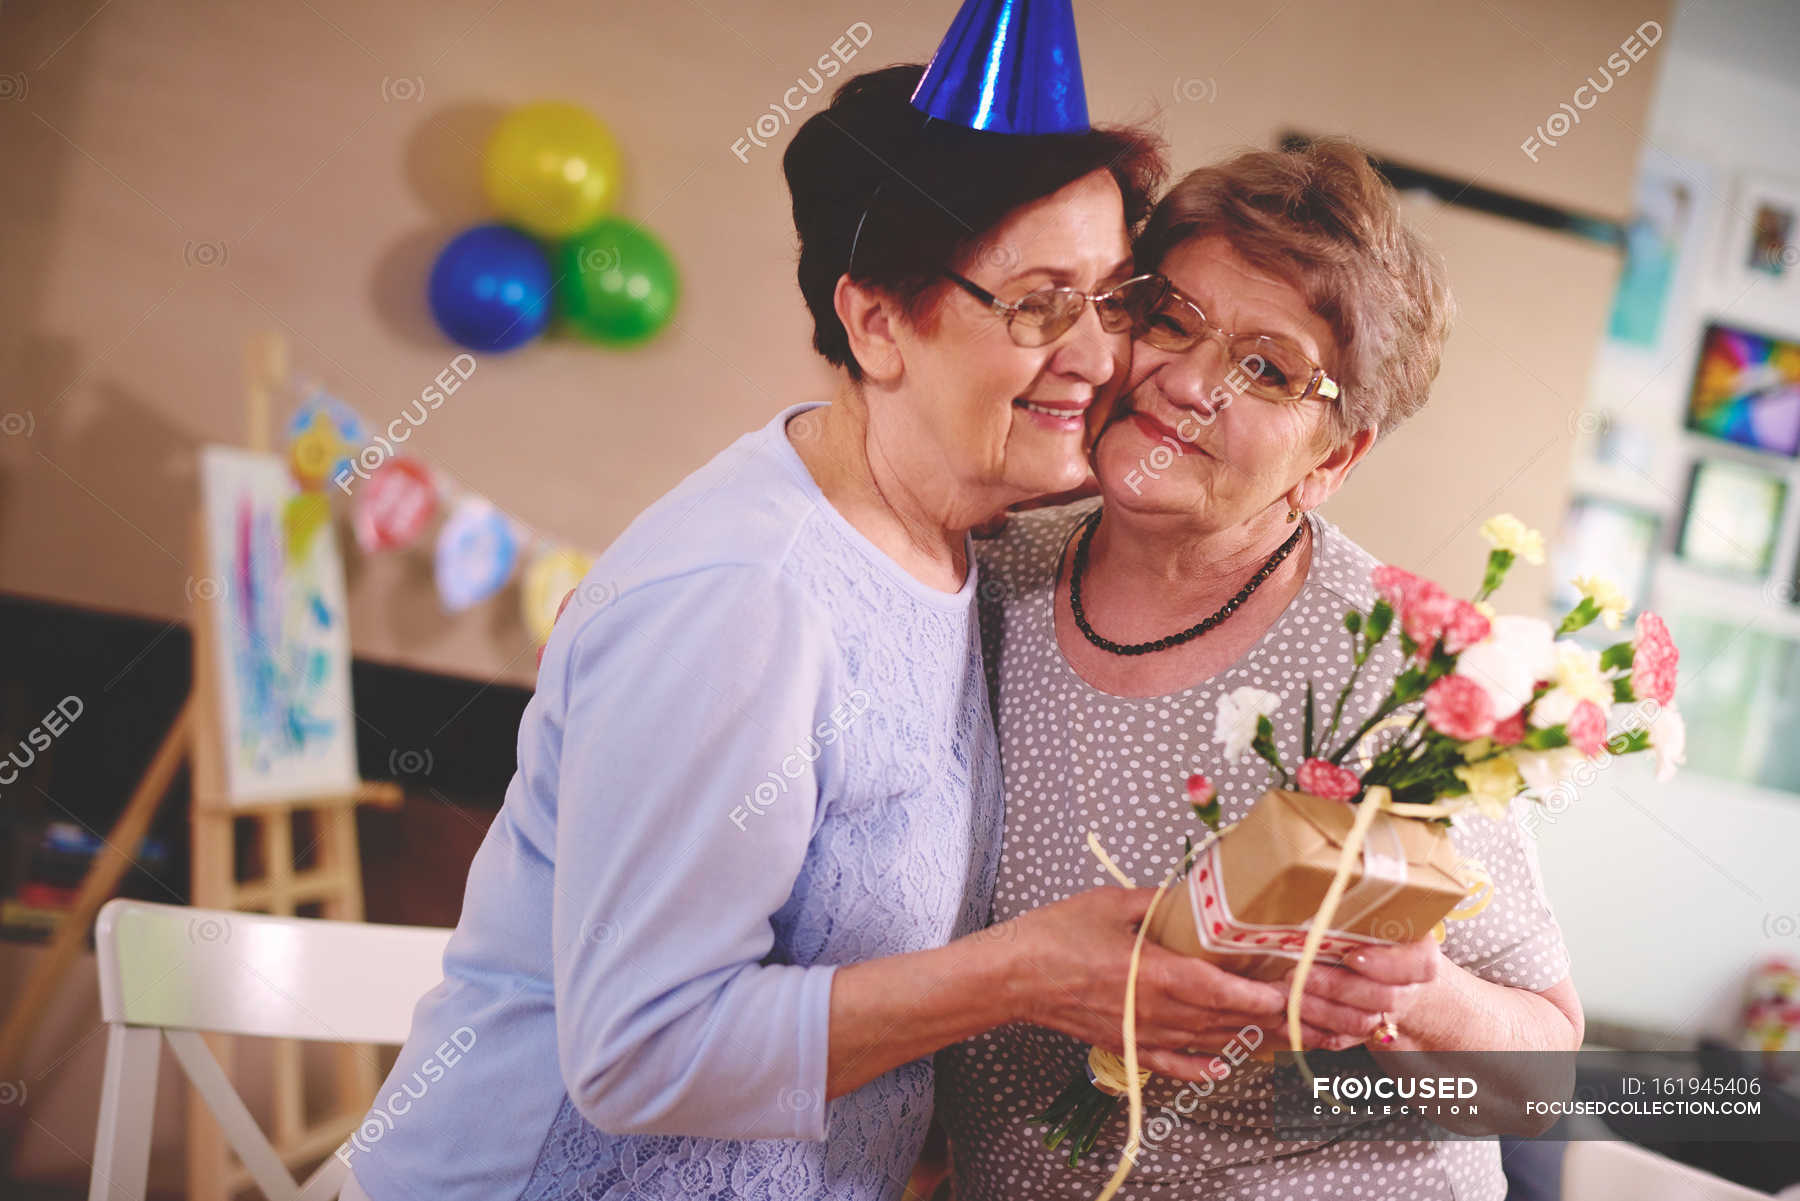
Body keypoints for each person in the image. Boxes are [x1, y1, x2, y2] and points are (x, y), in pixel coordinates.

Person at [339, 39, 1320, 1199]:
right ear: (876, 322)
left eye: (1115, 300)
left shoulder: (973, 553)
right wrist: (1012, 977)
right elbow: (637, 1055)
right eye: (1038, 304)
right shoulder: (745, 595)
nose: (1101, 356)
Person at [934, 139, 1584, 1201]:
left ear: (1333, 458)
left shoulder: (1393, 668)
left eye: (1267, 369)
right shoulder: (983, 575)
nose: (1185, 381)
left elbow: (1541, 1080)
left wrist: (1413, 997)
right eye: (1170, 317)